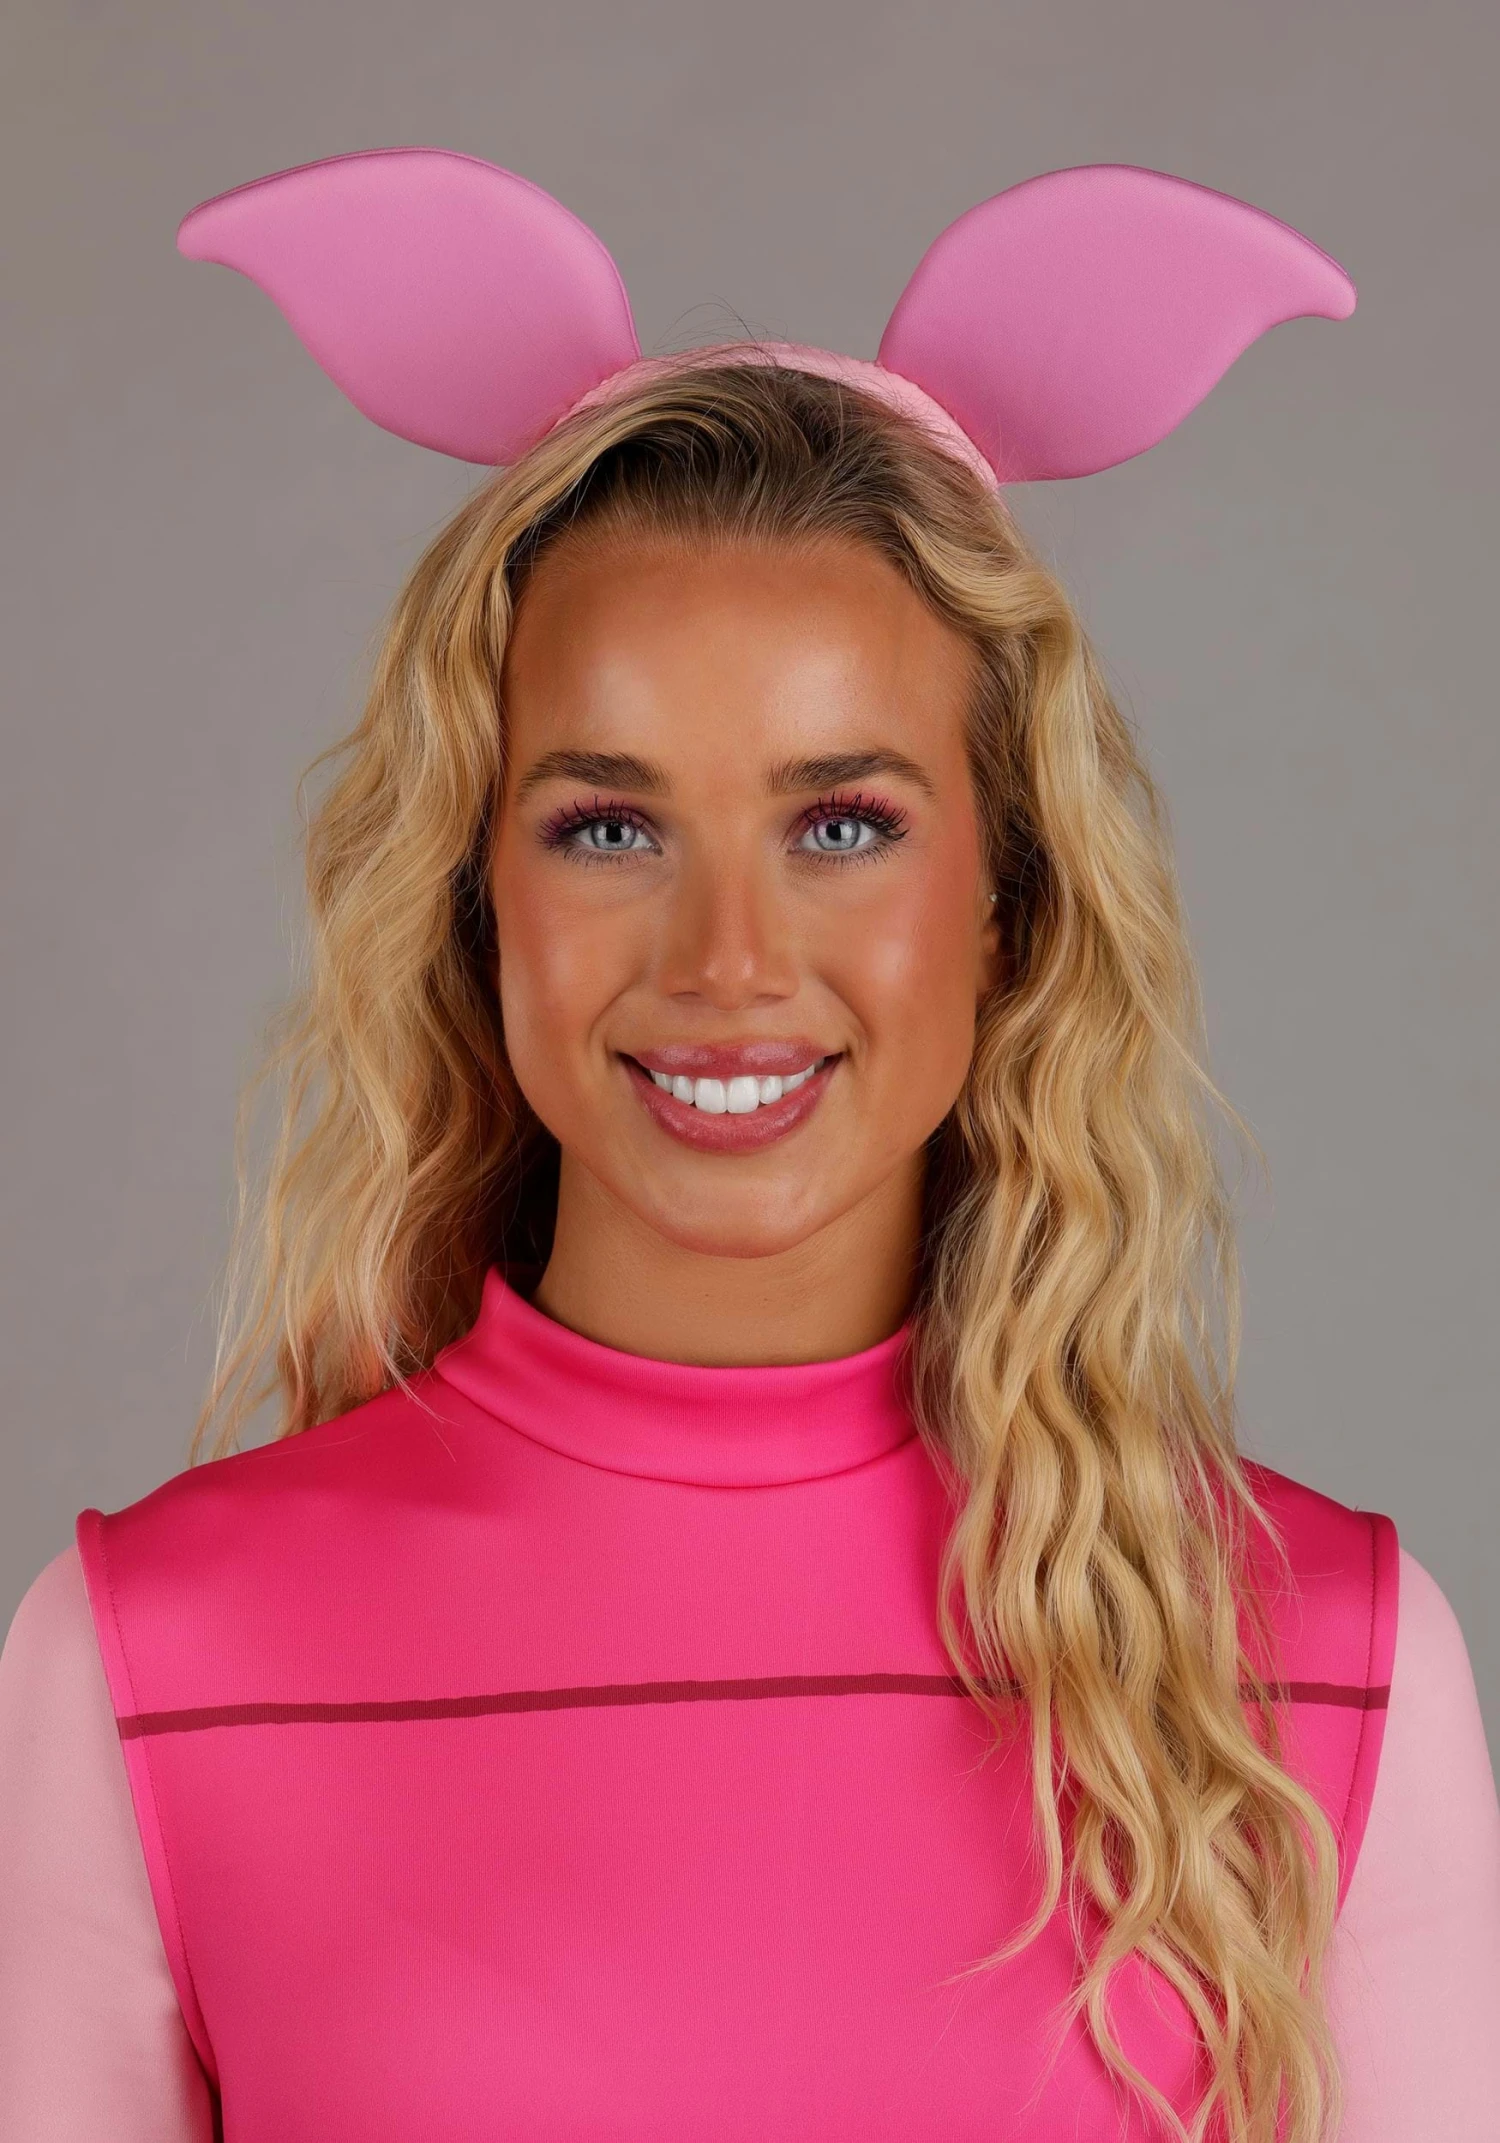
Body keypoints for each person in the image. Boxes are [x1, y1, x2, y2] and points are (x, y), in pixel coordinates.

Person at [1, 149, 1496, 2143]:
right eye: (608, 826)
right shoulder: (148, 1672)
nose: (726, 959)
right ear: (478, 899)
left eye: (843, 823)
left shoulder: (1328, 1663)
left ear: (1008, 901)